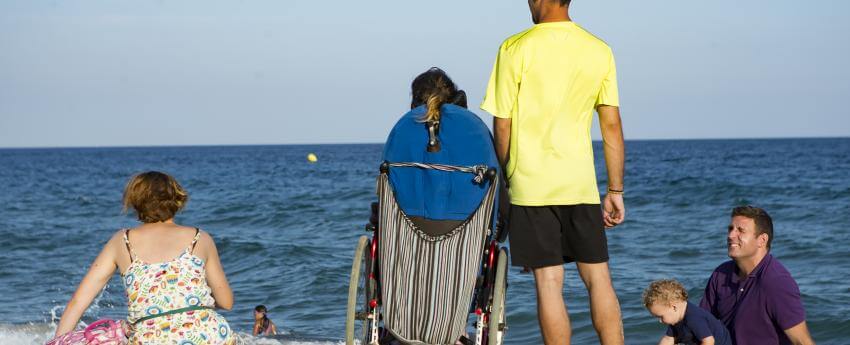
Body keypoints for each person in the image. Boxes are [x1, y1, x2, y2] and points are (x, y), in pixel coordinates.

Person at [480, 0, 626, 344]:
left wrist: (506, 176)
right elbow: (612, 125)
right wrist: (615, 190)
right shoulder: (598, 49)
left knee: (548, 283)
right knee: (599, 279)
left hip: (531, 186)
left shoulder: (514, 48)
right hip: (580, 184)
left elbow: (503, 127)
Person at [54, 171, 235, 344]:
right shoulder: (199, 238)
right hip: (208, 335)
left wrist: (58, 342)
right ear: (177, 199)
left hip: (151, 338)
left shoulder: (122, 241)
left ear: (135, 203)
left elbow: (77, 303)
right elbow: (226, 302)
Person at [700, 206, 815, 345]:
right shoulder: (720, 275)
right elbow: (700, 325)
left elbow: (802, 342)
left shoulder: (776, 283)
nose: (731, 235)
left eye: (740, 230)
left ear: (762, 240)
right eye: (731, 229)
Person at [643, 279, 731, 345]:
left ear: (674, 307)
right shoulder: (676, 320)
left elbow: (709, 341)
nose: (660, 321)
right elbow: (668, 339)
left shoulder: (694, 317)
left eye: (661, 316)